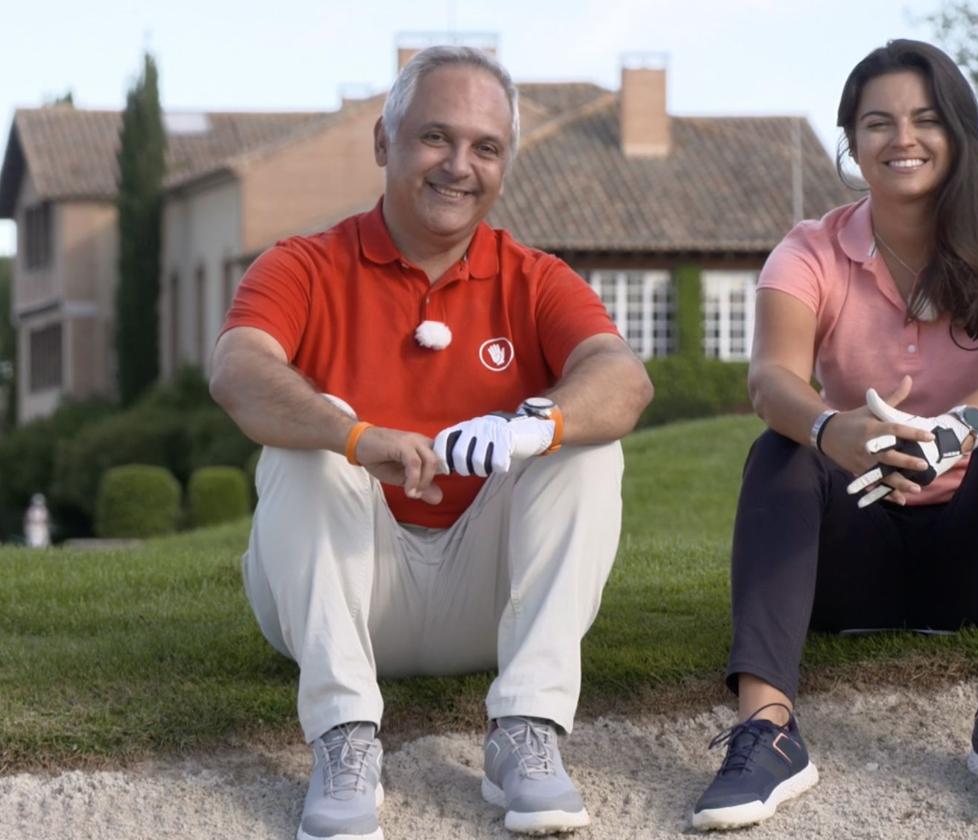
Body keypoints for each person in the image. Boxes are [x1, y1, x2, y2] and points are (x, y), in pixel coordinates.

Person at [209, 46, 652, 840]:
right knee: (309, 438)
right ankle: (344, 739)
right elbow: (238, 370)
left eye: (486, 147)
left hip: (483, 600)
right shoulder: (301, 265)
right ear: (384, 142)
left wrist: (533, 423)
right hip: (337, 594)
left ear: (505, 165)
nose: (459, 166)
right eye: (435, 138)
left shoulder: (537, 277)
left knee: (584, 442)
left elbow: (622, 379)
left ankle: (528, 732)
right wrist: (355, 435)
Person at [691, 39, 978, 830]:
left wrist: (960, 430)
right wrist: (832, 428)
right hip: (849, 563)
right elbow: (770, 379)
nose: (902, 138)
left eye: (926, 119)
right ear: (852, 141)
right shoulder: (809, 249)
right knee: (780, 449)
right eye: (878, 122)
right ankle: (766, 732)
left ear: (960, 132)